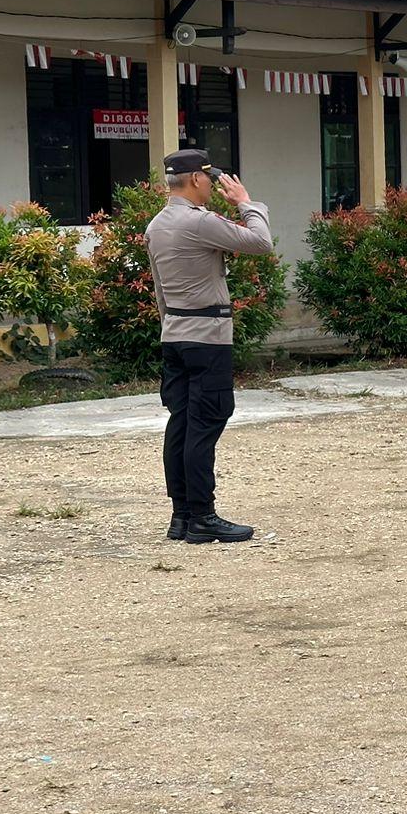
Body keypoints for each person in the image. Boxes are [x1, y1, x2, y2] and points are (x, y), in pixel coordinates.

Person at [146, 149, 275, 543]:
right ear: (197, 180)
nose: (214, 186)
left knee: (181, 425)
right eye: (209, 179)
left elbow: (160, 293)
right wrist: (246, 204)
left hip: (176, 334)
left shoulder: (156, 225)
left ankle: (181, 516)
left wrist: (172, 326)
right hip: (208, 335)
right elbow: (260, 242)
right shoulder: (197, 223)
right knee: (205, 424)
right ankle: (203, 516)